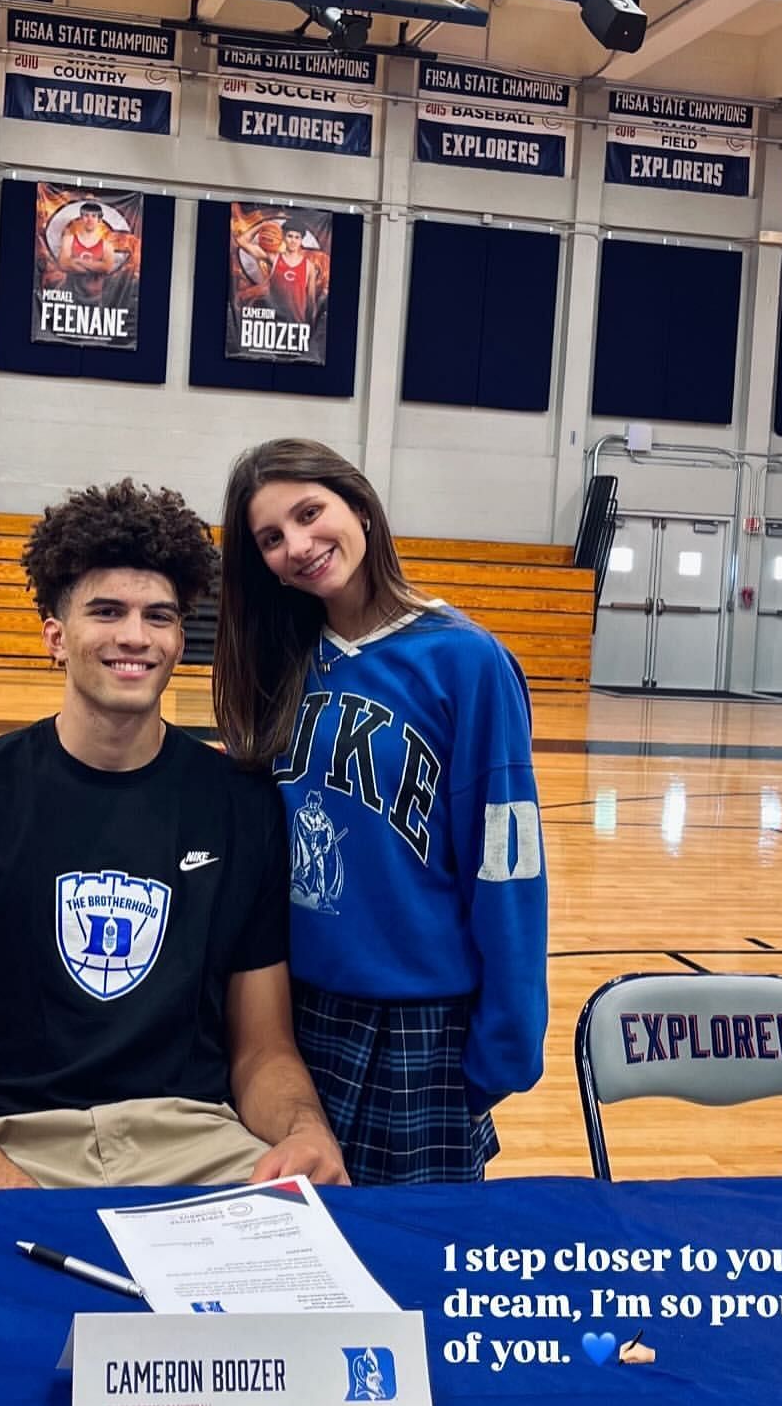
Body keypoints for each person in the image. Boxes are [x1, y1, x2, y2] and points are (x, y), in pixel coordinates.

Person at [0, 478, 348, 1191]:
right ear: (55, 635)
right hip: (4, 1144)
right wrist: (10, 1196)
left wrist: (305, 1128)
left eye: (159, 615)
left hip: (191, 1140)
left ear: (181, 638)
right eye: (107, 611)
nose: (135, 635)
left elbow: (262, 1049)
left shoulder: (240, 806)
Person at [213, 439, 548, 1185]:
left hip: (416, 1025)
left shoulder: (467, 660)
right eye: (271, 537)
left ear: (358, 505)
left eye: (309, 513)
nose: (297, 546)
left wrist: (508, 1038)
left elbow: (508, 858)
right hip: (288, 1020)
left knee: (414, 1269)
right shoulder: (282, 658)